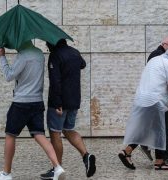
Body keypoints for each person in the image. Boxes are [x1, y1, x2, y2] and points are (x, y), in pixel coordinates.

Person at [0, 41, 65, 180]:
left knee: (10, 135)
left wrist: (2, 56)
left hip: (21, 103)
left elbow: (9, 75)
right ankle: (57, 167)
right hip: (37, 101)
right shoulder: (39, 54)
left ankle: (6, 173)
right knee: (39, 135)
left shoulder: (23, 56)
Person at [118, 45, 168, 170]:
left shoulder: (155, 60)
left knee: (147, 127)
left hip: (141, 98)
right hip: (155, 101)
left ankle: (127, 152)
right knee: (161, 129)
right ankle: (159, 162)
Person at [40, 39, 96, 179]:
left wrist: (57, 102)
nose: (47, 47)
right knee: (68, 129)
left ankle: (56, 168)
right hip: (74, 100)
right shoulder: (75, 52)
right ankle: (86, 156)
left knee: (55, 133)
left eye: (47, 44)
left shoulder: (55, 55)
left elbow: (55, 81)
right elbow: (82, 64)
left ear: (52, 44)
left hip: (59, 102)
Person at [138, 37, 168, 166]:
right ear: (164, 45)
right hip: (161, 99)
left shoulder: (159, 56)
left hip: (160, 98)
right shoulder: (159, 56)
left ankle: (156, 151)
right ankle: (161, 157)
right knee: (165, 126)